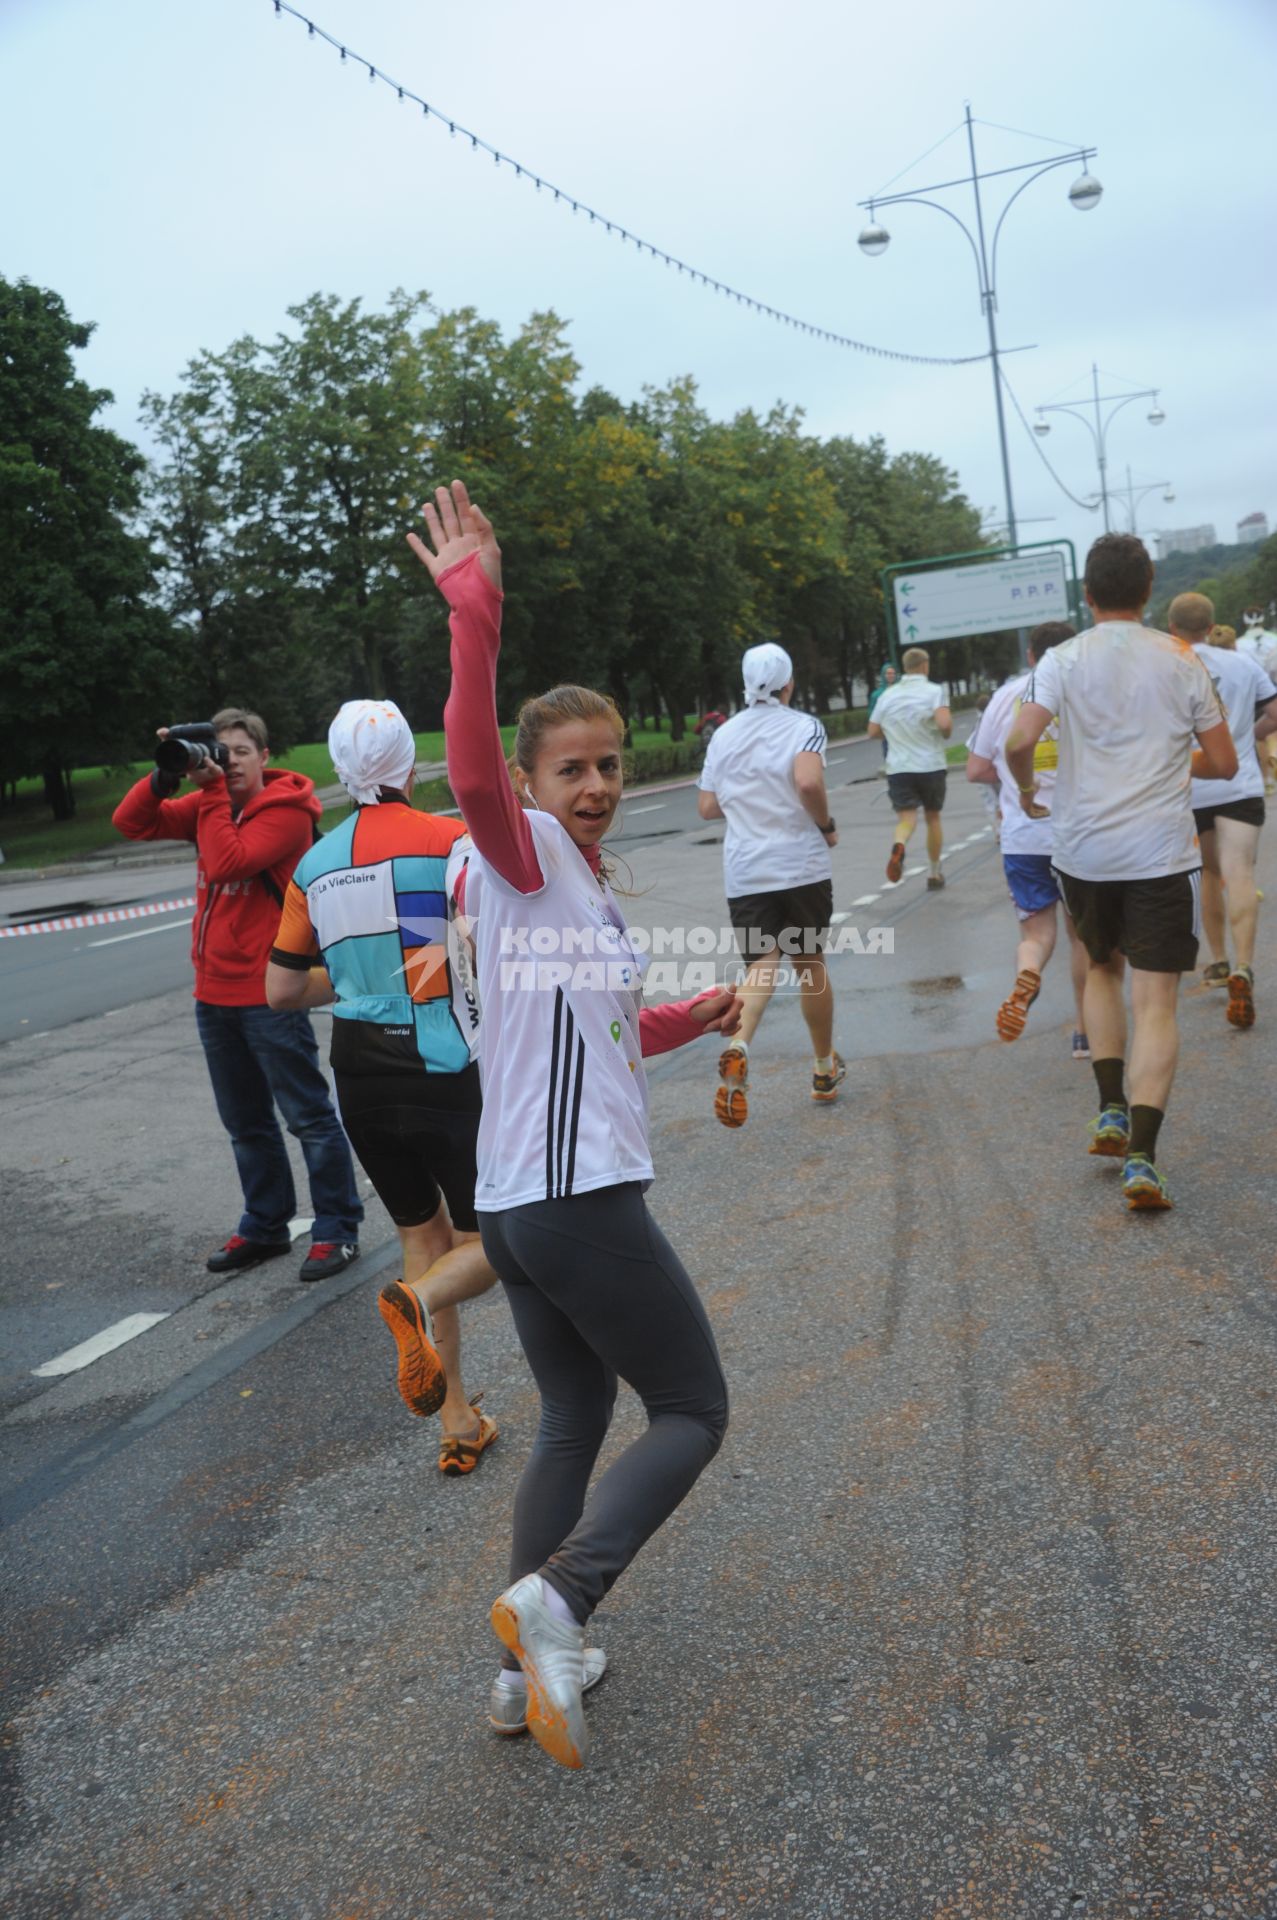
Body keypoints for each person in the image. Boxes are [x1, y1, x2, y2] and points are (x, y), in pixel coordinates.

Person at [407, 479, 740, 1771]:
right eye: (573, 769)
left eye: (609, 765)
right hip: (574, 1198)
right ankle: (562, 1600)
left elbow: (590, 1031)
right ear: (536, 785)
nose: (595, 786)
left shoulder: (571, 896)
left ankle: (516, 1673)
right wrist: (474, 617)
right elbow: (474, 769)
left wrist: (685, 1019)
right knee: (694, 1410)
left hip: (520, 1207)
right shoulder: (523, 848)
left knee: (567, 1417)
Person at [264, 698, 502, 1474]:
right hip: (444, 1067)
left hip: (360, 1074)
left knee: (418, 1239)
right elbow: (479, 942)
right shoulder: (450, 840)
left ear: (338, 768)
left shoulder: (314, 864)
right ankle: (419, 1306)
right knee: (493, 1245)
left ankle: (457, 1423)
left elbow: (281, 991)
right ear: (407, 761)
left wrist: (364, 982)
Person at [1006, 534, 1237, 1211]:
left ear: (1086, 592)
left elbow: (1018, 740)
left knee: (1101, 968)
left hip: (1082, 852)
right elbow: (1223, 763)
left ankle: (1108, 1108)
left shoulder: (1060, 657)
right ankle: (1141, 1156)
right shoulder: (1180, 658)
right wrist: (1167, 767)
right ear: (1148, 588)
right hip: (1158, 853)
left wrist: (1025, 790)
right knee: (1155, 1000)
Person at [113, 709, 363, 1278]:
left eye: (239, 752)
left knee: (307, 1116)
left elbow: (227, 862)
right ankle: (265, 1225)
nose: (228, 762)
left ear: (264, 757)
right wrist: (165, 773)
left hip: (270, 993)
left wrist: (207, 794)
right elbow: (131, 824)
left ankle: (336, 1229)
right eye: (218, 751)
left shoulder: (287, 814)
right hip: (214, 994)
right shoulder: (212, 804)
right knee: (246, 1122)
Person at [695, 641, 845, 1126]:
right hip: (800, 867)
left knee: (761, 967)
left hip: (746, 871)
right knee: (809, 965)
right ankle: (824, 1069)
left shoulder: (724, 735)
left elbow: (707, 806)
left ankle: (740, 1045)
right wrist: (825, 825)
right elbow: (807, 783)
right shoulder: (805, 727)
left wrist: (746, 797)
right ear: (789, 683)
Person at [965, 621, 1090, 1057]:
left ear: (1032, 657)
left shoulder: (1003, 697)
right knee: (1083, 938)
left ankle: (1029, 970)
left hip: (1024, 837)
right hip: (1079, 834)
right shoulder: (1088, 691)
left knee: (1036, 934)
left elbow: (976, 769)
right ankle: (1084, 1032)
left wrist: (1011, 785)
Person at [1167, 593, 1277, 1026]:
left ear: (1172, 628)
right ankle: (1244, 966)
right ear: (1211, 624)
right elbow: (1274, 711)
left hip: (1189, 786)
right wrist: (1249, 734)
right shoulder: (1242, 664)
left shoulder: (1165, 665)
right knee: (1240, 874)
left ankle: (1217, 961)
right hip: (1239, 781)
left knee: (1208, 874)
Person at [866, 648, 952, 888]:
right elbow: (945, 724)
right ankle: (934, 874)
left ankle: (900, 844)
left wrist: (895, 733)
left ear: (905, 667)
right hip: (930, 764)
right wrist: (943, 730)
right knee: (932, 817)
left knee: (907, 818)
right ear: (924, 666)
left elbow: (872, 731)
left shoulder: (888, 696)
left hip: (899, 767)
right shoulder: (935, 691)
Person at [1238, 607, 1277, 793]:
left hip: (1253, 695)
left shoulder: (1239, 644)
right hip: (1274, 690)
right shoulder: (1274, 639)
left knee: (1259, 736)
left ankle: (1267, 778)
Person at [867, 663, 897, 759]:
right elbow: (872, 713)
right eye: (888, 673)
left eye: (893, 673)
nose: (891, 675)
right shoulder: (877, 694)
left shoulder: (901, 691)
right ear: (883, 675)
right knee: (888, 755)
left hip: (901, 728)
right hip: (886, 730)